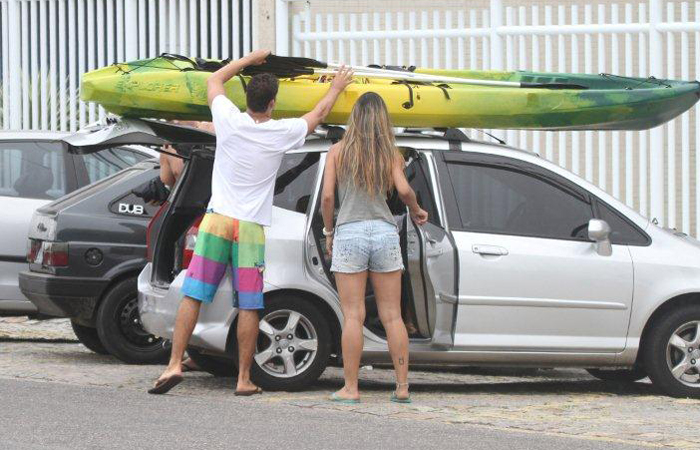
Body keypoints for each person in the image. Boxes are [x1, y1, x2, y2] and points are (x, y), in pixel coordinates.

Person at [149, 49, 354, 395]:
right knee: (249, 304)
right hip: (249, 229)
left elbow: (214, 80)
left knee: (193, 295)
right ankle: (244, 379)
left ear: (246, 99)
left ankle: (173, 364)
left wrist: (247, 60)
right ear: (273, 104)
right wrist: (335, 87)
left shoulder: (228, 118)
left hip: (217, 222)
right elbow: (317, 115)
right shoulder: (282, 132)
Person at [321, 92, 428, 404]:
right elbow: (405, 190)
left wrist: (329, 230)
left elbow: (328, 198)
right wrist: (417, 210)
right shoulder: (390, 153)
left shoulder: (337, 151)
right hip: (384, 232)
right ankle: (402, 387)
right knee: (393, 315)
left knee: (353, 315)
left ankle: (351, 388)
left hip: (350, 232)